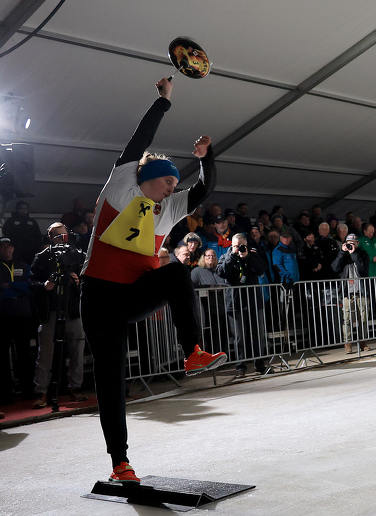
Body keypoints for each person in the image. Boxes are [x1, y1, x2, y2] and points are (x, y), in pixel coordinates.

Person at [79, 77, 226, 485]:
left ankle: (193, 350)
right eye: (167, 183)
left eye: (174, 187)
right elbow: (137, 141)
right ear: (150, 178)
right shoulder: (121, 186)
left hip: (132, 294)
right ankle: (120, 462)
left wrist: (207, 158)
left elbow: (205, 187)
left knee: (176, 272)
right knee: (111, 380)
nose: (171, 191)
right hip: (99, 297)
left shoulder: (168, 207)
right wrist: (162, 102)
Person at [29, 223, 88, 408]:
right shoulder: (42, 258)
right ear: (50, 237)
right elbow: (31, 282)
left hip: (72, 311)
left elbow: (89, 278)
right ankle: (41, 392)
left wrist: (79, 281)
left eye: (64, 235)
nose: (62, 239)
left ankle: (75, 388)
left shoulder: (77, 255)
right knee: (45, 353)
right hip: (50, 312)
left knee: (77, 350)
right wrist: (44, 285)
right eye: (57, 236)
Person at [216, 233, 268, 377]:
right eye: (235, 246)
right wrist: (233, 256)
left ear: (245, 244)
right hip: (235, 302)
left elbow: (261, 269)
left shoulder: (252, 254)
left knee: (257, 334)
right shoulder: (225, 256)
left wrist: (247, 257)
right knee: (239, 337)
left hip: (253, 300)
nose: (238, 248)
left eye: (240, 245)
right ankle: (241, 367)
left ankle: (260, 364)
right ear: (231, 245)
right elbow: (221, 272)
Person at [0, 237, 38, 406]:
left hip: (23, 316)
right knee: (3, 358)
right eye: (3, 247)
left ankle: (28, 391)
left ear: (13, 248)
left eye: (9, 247)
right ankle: (6, 394)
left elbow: (30, 288)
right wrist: (16, 288)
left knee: (24, 355)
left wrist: (11, 285)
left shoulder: (23, 266)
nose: (7, 250)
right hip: (3, 317)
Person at [331, 234, 370, 354]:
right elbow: (335, 268)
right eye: (348, 242)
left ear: (357, 243)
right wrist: (342, 253)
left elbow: (363, 269)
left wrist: (354, 253)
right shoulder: (342, 255)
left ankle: (363, 343)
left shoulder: (363, 254)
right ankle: (347, 344)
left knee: (362, 318)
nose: (350, 244)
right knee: (347, 319)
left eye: (353, 242)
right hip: (347, 292)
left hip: (361, 291)